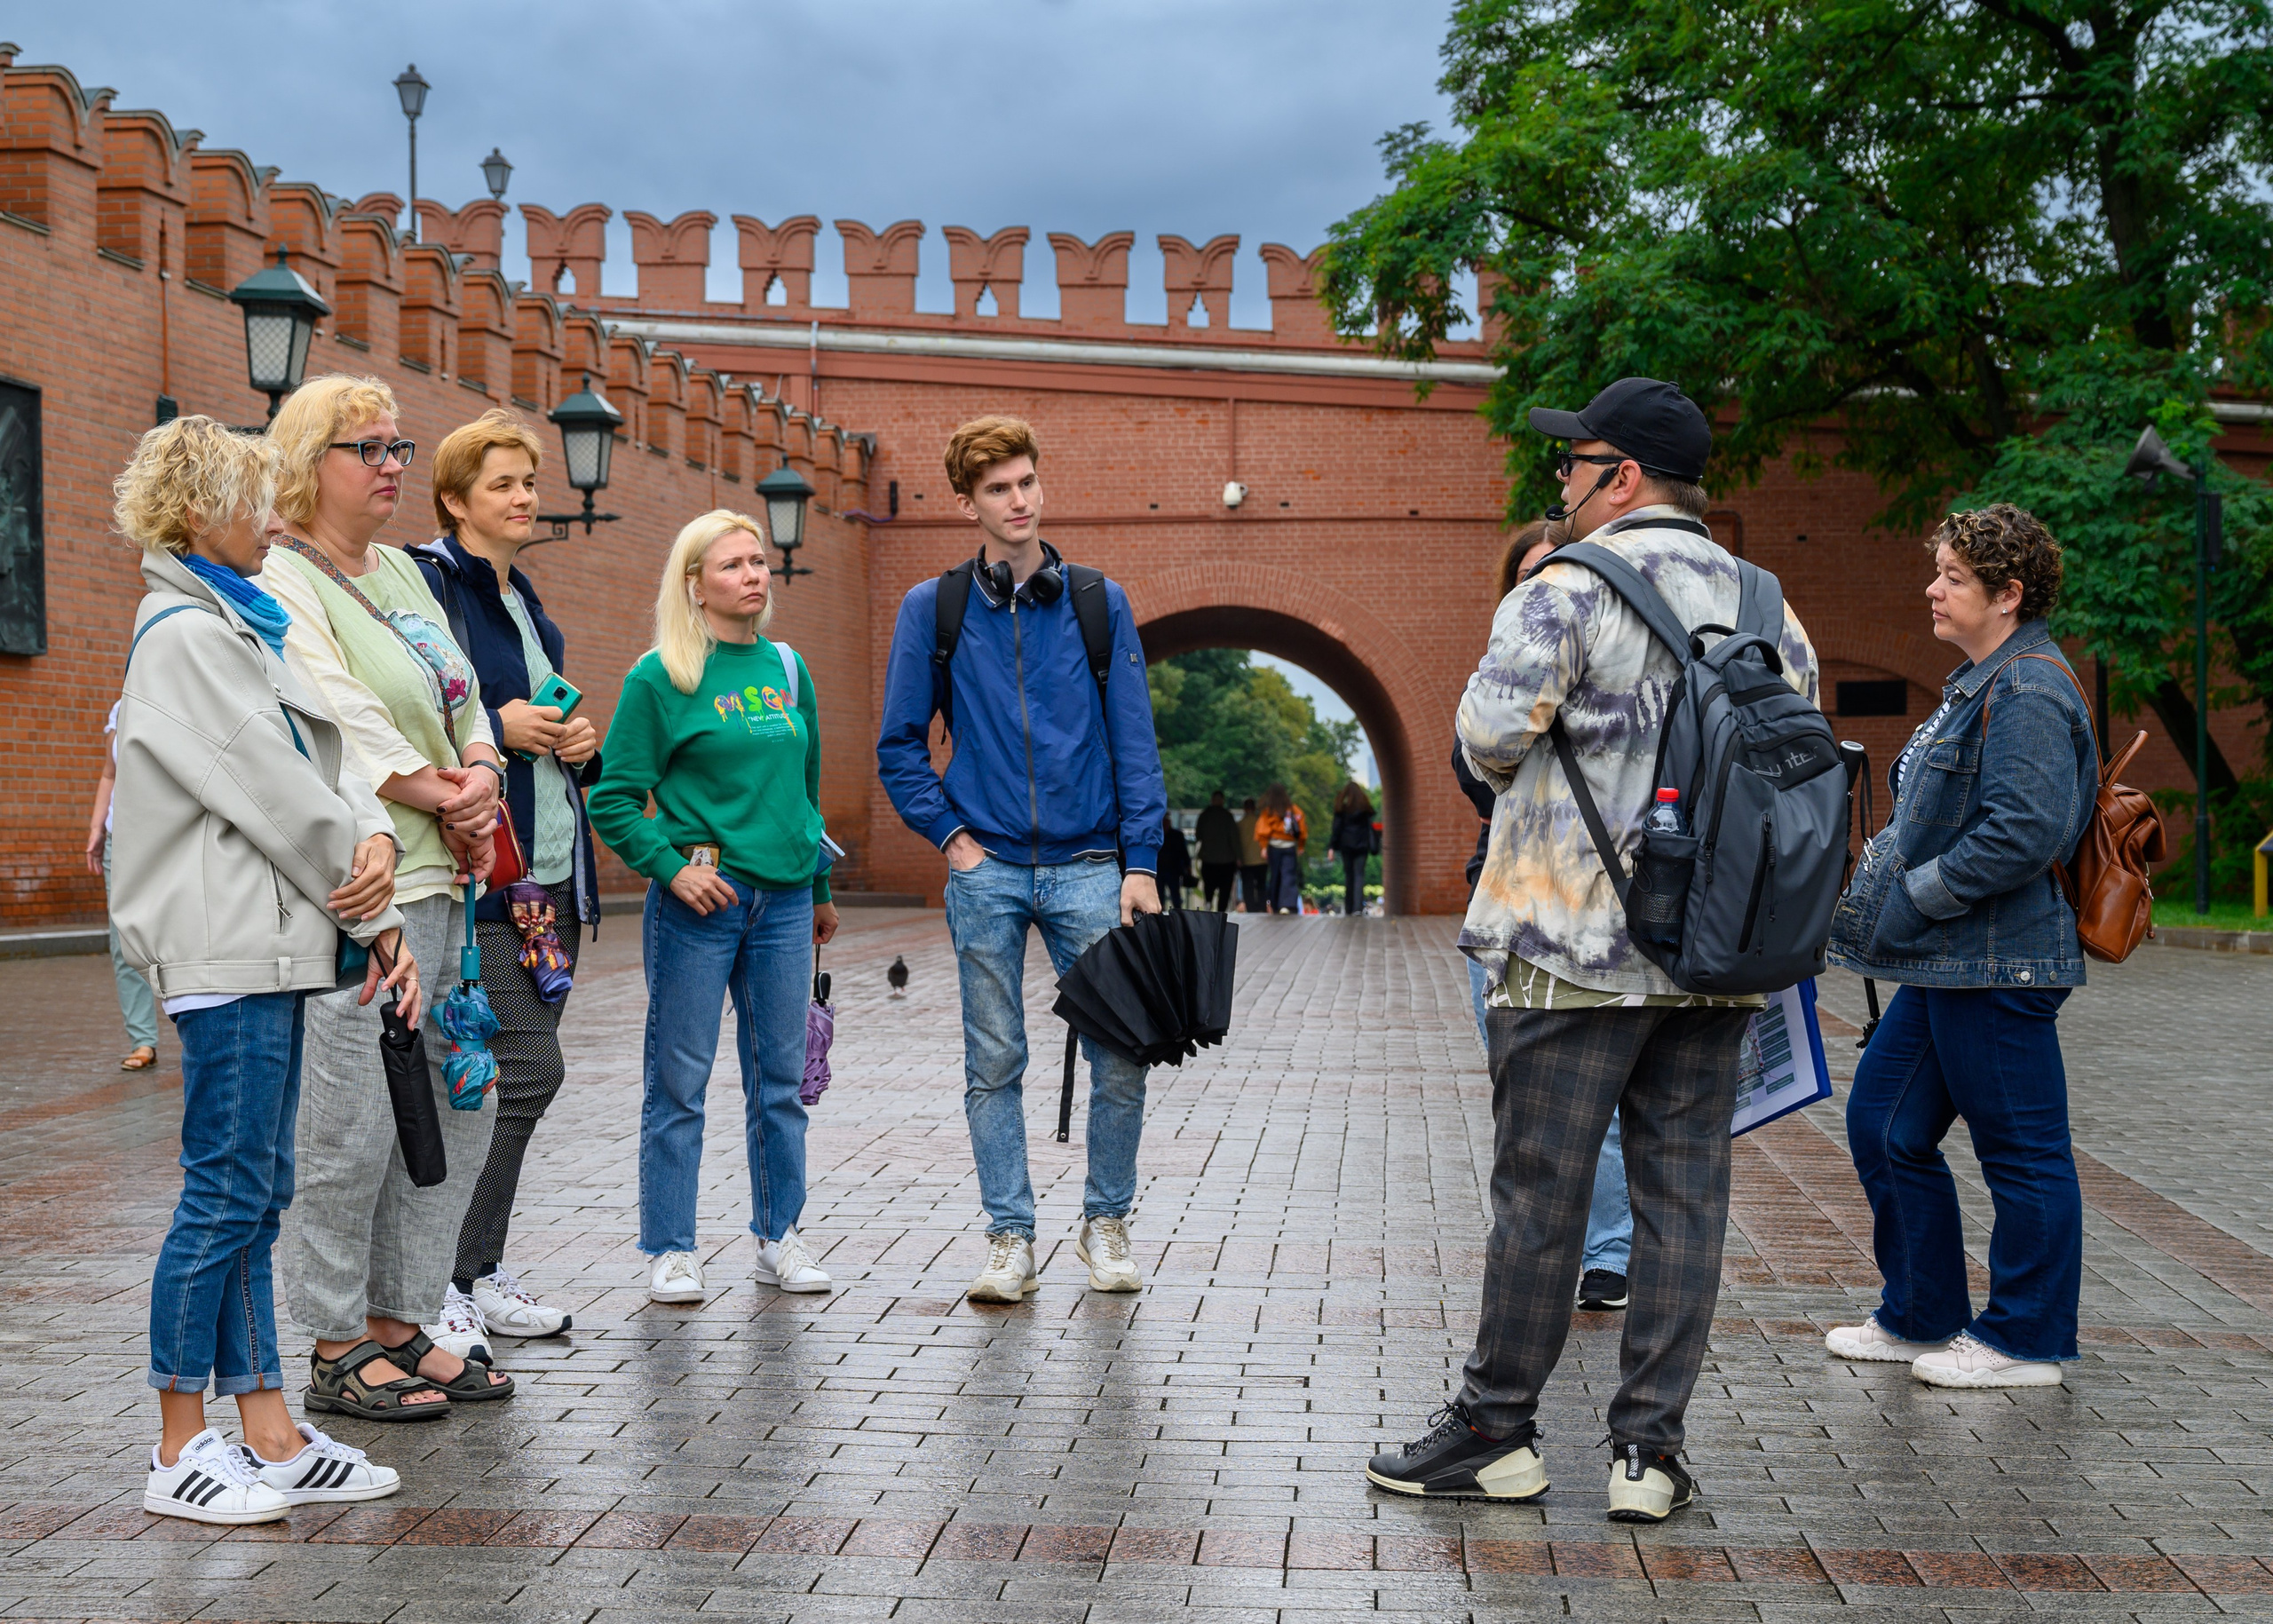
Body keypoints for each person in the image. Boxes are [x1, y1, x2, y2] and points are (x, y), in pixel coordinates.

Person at [1368, 377, 1818, 1523]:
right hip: (1716, 958)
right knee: (1682, 1202)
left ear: (1621, 476)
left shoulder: (1566, 589)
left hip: (1569, 945)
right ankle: (1646, 1455)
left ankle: (1496, 1431)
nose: (1556, 482)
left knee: (1540, 1196)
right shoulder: (1772, 607)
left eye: (1572, 464)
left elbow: (1483, 737)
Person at [110, 416, 415, 1524]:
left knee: (255, 1192)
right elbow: (276, 791)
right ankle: (179, 1443)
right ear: (199, 512)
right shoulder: (188, 632)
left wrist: (369, 840)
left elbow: (317, 765)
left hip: (267, 940)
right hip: (228, 947)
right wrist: (375, 900)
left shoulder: (233, 620)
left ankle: (270, 1427)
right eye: (256, 501)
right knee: (225, 1192)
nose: (276, 519)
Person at [261, 375, 514, 1418]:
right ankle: (331, 1336)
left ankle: (402, 1321)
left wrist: (482, 774)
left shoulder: (405, 576)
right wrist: (436, 792)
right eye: (367, 448)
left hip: (449, 878)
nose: (392, 465)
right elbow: (341, 713)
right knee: (351, 1121)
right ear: (309, 459)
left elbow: (461, 690)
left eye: (398, 446)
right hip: (368, 890)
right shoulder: (283, 578)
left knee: (459, 1104)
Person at [875, 415, 1168, 1303]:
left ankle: (1105, 1221)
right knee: (994, 1058)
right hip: (988, 867)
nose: (1017, 499)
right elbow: (898, 743)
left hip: (1088, 862)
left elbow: (1133, 737)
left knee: (1123, 1046)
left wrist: (1141, 858)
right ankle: (1010, 1238)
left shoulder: (1094, 600)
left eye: (1026, 482)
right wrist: (954, 841)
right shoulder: (936, 608)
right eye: (997, 488)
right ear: (967, 502)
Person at [1824, 505, 2094, 1390]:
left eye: (1952, 578)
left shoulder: (2026, 688)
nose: (1931, 589)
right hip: (1949, 960)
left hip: (1995, 961)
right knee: (1884, 1124)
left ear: (2008, 594)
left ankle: (2025, 1337)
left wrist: (1917, 891)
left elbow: (2025, 827)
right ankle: (1920, 1313)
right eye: (1936, 572)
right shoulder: (1983, 678)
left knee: (2021, 1150)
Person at [590, 509, 839, 1304]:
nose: (753, 575)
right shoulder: (661, 676)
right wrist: (670, 869)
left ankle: (779, 1236)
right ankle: (670, 1245)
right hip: (702, 902)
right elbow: (615, 798)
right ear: (694, 584)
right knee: (679, 1081)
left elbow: (806, 791)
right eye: (732, 565)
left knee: (778, 1082)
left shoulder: (789, 668)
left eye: (759, 561)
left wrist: (822, 890)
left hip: (787, 902)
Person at [408, 409, 603, 1349]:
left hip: (550, 876)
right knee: (521, 1069)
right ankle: (440, 1282)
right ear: (454, 498)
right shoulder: (431, 587)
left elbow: (543, 731)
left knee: (504, 1085)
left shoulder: (526, 599)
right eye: (502, 483)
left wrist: (577, 742)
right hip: (480, 874)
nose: (525, 496)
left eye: (530, 480)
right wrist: (500, 719)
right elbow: (419, 704)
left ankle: (474, 1270)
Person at [1453, 518, 1634, 1316]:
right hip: (1507, 901)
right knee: (1523, 1093)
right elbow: (1474, 771)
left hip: (1597, 904)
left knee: (1605, 1096)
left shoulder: (1616, 671)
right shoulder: (1502, 674)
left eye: (1555, 570)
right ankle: (1541, 1254)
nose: (1544, 587)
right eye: (1529, 576)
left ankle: (1608, 1255)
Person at [86, 704, 160, 1070]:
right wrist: (97, 828)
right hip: (121, 839)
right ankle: (143, 1039)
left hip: (165, 838)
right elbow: (108, 774)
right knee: (123, 942)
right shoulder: (119, 707)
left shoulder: (182, 690)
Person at [1254, 783, 1306, 913]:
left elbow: (1262, 831)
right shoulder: (1294, 810)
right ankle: (1287, 904)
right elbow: (1302, 829)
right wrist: (1300, 846)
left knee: (1275, 876)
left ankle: (1276, 904)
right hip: (1289, 847)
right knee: (1288, 875)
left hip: (1274, 847)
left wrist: (1264, 847)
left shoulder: (1269, 812)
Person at [1327, 781, 1376, 916]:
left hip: (1346, 845)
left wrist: (1332, 847)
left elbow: (1336, 829)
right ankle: (1357, 908)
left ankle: (1349, 907)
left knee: (1349, 875)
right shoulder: (1365, 809)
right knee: (1359, 875)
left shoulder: (1342, 809)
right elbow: (1369, 827)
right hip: (1362, 845)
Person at [1193, 788, 1239, 912]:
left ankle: (1208, 904)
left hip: (1208, 859)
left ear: (1212, 800)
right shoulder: (1228, 816)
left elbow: (1198, 835)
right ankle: (1221, 912)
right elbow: (1234, 838)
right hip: (1227, 860)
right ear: (1223, 801)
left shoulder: (1204, 815)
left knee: (1209, 886)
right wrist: (1238, 856)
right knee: (1225, 890)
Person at [1234, 795, 1267, 913]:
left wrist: (1238, 858)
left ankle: (1251, 908)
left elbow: (1236, 843)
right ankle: (1262, 908)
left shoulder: (1240, 825)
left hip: (1246, 860)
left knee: (1248, 887)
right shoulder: (1261, 822)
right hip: (1261, 860)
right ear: (1254, 808)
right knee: (1261, 886)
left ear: (1244, 808)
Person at [1159, 812, 1193, 909]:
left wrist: (1188, 866)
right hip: (1159, 869)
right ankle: (1159, 916)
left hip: (1173, 870)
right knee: (1158, 896)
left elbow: (1184, 852)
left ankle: (1178, 915)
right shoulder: (1156, 835)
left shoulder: (1177, 835)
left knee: (1176, 896)